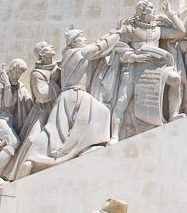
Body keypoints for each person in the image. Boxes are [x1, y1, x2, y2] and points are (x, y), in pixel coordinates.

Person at [18, 26, 118, 174]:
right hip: (74, 93)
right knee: (101, 113)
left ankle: (32, 159)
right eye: (81, 37)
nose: (84, 39)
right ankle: (84, 147)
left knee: (55, 130)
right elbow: (99, 46)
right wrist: (118, 33)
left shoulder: (67, 54)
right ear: (74, 41)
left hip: (68, 95)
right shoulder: (78, 52)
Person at [101, 0, 186, 144]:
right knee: (122, 100)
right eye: (151, 8)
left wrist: (170, 13)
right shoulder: (131, 29)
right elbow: (118, 47)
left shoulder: (157, 30)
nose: (154, 10)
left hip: (154, 68)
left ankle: (173, 113)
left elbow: (180, 31)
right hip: (134, 68)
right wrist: (134, 57)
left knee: (176, 79)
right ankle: (115, 135)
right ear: (142, 11)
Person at [10, 42, 61, 180]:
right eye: (47, 47)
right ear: (41, 54)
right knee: (32, 139)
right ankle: (20, 171)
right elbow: (42, 95)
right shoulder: (37, 74)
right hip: (43, 110)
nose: (52, 47)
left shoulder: (59, 66)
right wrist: (54, 81)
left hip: (58, 107)